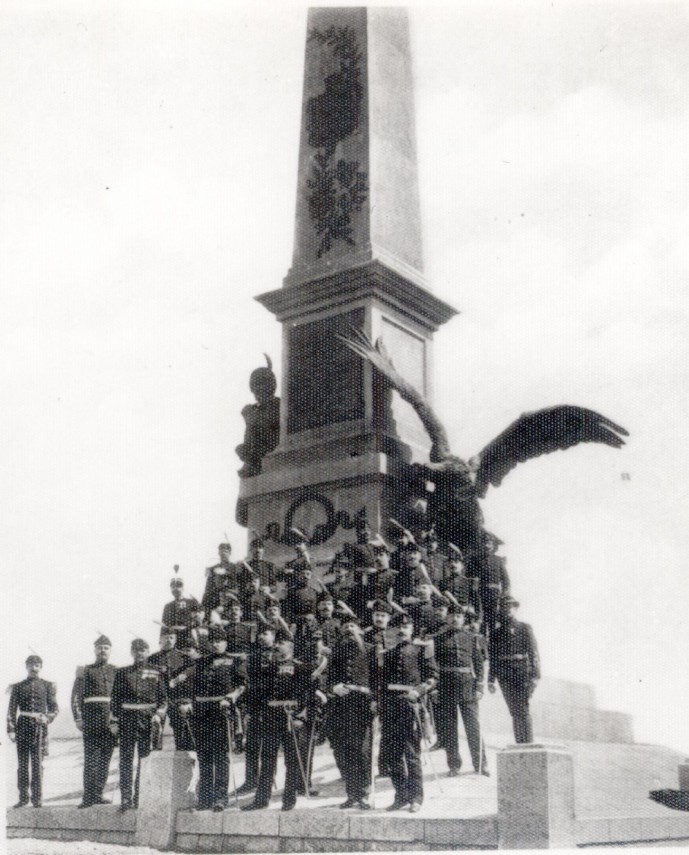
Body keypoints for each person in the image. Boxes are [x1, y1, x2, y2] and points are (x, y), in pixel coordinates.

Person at [241, 639, 321, 812]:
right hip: (270, 718)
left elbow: (311, 695)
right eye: (276, 644)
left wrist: (303, 716)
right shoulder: (267, 668)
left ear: (291, 647)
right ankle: (261, 800)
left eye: (281, 643)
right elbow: (258, 693)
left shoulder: (302, 668)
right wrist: (255, 713)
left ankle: (289, 799)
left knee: (292, 761)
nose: (277, 646)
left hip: (292, 718)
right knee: (267, 760)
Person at [378, 614, 438, 813]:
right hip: (390, 707)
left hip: (410, 706)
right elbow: (382, 684)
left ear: (412, 628)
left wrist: (418, 691)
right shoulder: (388, 654)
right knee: (392, 755)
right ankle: (401, 796)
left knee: (411, 754)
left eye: (406, 626)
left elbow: (432, 678)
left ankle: (416, 797)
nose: (402, 630)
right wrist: (379, 704)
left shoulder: (421, 650)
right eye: (399, 627)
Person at [185, 625, 246, 811]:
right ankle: (205, 798)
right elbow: (192, 687)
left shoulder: (234, 661)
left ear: (225, 643)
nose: (215, 644)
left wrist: (230, 697)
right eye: (212, 641)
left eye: (219, 641)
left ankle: (220, 798)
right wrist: (188, 702)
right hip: (202, 712)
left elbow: (242, 685)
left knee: (220, 757)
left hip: (221, 711)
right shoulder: (201, 662)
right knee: (204, 756)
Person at [110, 638, 167, 811]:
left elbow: (163, 699)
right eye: (136, 650)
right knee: (126, 760)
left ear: (148, 652)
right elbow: (115, 700)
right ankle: (126, 798)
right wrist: (115, 721)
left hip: (148, 720)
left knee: (145, 759)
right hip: (127, 719)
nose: (139, 653)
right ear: (131, 652)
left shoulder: (157, 672)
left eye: (143, 650)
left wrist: (158, 715)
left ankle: (140, 797)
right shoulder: (122, 673)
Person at [434, 605, 488, 777]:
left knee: (473, 727)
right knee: (449, 729)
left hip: (467, 687)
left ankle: (480, 763)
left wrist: (479, 686)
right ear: (446, 618)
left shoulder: (471, 638)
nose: (455, 619)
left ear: (463, 619)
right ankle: (454, 765)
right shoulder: (437, 639)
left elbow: (479, 665)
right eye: (452, 616)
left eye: (458, 616)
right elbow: (433, 667)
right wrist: (434, 689)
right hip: (445, 687)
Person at [327, 616, 374, 809]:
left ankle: (364, 793)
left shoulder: (370, 650)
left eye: (353, 626)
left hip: (362, 705)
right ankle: (351, 793)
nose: (349, 630)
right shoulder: (336, 652)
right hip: (340, 706)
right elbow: (328, 679)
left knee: (362, 750)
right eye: (345, 627)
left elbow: (378, 679)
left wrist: (374, 700)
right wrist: (333, 688)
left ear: (360, 630)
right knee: (343, 751)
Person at [71, 634, 117, 807]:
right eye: (99, 648)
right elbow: (76, 696)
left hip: (110, 721)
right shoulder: (86, 670)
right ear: (94, 650)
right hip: (91, 720)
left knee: (105, 758)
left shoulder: (115, 670)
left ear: (110, 651)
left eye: (106, 648)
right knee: (91, 759)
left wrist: (117, 720)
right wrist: (78, 718)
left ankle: (98, 793)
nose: (102, 650)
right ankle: (88, 797)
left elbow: (119, 696)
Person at [7, 654, 58, 808]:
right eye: (31, 665)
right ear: (26, 666)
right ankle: (23, 798)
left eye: (37, 665)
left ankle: (37, 798)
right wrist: (11, 730)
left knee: (37, 764)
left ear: (41, 667)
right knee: (22, 764)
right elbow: (11, 711)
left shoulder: (48, 686)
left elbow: (54, 709)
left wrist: (47, 718)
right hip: (22, 727)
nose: (34, 668)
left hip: (39, 729)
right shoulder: (17, 687)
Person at [488, 595, 540, 743]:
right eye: (504, 606)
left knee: (523, 709)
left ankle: (528, 744)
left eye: (510, 606)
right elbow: (493, 658)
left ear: (516, 609)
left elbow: (533, 652)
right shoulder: (495, 633)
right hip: (504, 674)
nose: (507, 609)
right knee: (514, 711)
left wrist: (535, 675)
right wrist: (491, 680)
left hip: (521, 672)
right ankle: (519, 744)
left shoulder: (524, 628)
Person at [237, 624, 276, 795]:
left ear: (273, 636)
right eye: (259, 634)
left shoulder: (279, 655)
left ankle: (268, 781)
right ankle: (250, 780)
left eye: (265, 634)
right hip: (254, 705)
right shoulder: (252, 656)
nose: (261, 637)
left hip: (273, 706)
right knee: (252, 745)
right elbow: (246, 679)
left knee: (269, 746)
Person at [148, 627, 194, 750]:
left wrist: (183, 675)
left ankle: (183, 754)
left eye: (171, 637)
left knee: (181, 729)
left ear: (175, 640)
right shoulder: (152, 658)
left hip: (178, 698)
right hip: (159, 699)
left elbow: (193, 668)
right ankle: (155, 755)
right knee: (156, 728)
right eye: (166, 637)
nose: (169, 640)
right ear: (160, 640)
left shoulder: (183, 657)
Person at [475, 532, 510, 639]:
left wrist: (504, 596)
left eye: (489, 543)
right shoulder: (476, 560)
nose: (487, 546)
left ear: (494, 546)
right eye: (485, 543)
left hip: (495, 596)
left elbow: (506, 581)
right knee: (480, 620)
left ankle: (494, 644)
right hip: (480, 594)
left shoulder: (498, 560)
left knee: (493, 621)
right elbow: (470, 578)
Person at [161, 571, 199, 643]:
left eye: (179, 586)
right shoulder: (168, 606)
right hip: (174, 639)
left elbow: (198, 621)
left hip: (189, 636)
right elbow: (164, 626)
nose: (176, 589)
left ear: (183, 588)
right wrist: (162, 641)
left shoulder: (191, 602)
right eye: (173, 586)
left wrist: (186, 628)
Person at [202, 542, 239, 612]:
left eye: (226, 551)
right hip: (216, 599)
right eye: (221, 551)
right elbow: (208, 587)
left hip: (231, 599)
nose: (223, 553)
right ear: (218, 553)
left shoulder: (235, 567)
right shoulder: (213, 568)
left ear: (230, 553)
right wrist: (204, 604)